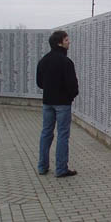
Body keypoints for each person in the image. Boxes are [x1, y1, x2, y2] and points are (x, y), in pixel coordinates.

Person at [36, 30, 79, 177]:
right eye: (67, 40)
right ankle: (61, 169)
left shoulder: (44, 60)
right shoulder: (66, 62)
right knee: (62, 135)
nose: (69, 42)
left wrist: (50, 90)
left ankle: (42, 167)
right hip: (62, 104)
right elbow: (72, 85)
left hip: (47, 102)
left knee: (46, 133)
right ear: (59, 43)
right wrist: (70, 96)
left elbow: (39, 82)